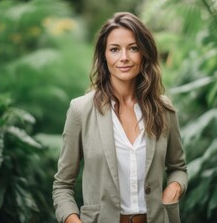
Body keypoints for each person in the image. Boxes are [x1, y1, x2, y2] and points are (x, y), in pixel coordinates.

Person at [52, 12, 188, 223]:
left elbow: (178, 168)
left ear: (144, 53)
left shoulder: (163, 108)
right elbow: (62, 186)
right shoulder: (81, 110)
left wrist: (173, 188)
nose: (124, 57)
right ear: (104, 56)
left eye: (133, 48)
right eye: (114, 49)